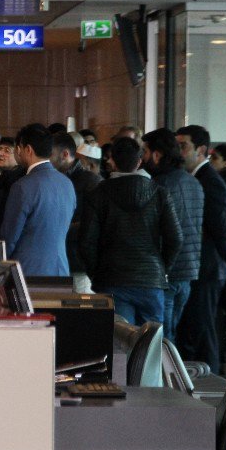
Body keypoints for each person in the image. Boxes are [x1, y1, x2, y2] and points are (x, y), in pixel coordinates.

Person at [80, 137, 182, 325]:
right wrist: (162, 268)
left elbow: (87, 241)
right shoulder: (159, 193)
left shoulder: (98, 193)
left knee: (119, 344)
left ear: (112, 161)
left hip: (112, 277)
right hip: (151, 279)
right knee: (151, 345)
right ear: (139, 160)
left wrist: (97, 272)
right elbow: (175, 238)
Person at [175, 125, 226, 374]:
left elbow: (218, 226)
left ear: (201, 150)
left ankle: (213, 379)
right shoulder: (192, 179)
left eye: (183, 146)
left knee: (204, 326)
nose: (179, 151)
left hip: (208, 266)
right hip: (197, 265)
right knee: (196, 325)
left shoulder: (211, 182)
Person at [142, 128, 203, 342]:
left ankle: (164, 376)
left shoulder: (158, 186)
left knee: (162, 337)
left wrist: (163, 267)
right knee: (172, 332)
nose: (142, 158)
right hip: (189, 269)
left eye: (145, 152)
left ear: (157, 155)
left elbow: (156, 230)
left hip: (166, 270)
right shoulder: (193, 182)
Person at [0, 123, 75, 277]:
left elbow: (10, 236)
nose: (16, 153)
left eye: (17, 148)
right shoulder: (67, 183)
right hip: (61, 269)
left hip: (28, 271)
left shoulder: (23, 186)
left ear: (28, 150)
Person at [51, 132, 102, 292]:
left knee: (80, 311)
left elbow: (95, 222)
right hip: (58, 260)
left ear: (65, 154)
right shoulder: (53, 179)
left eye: (50, 154)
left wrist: (61, 228)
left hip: (79, 263)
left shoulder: (90, 181)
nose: (47, 160)